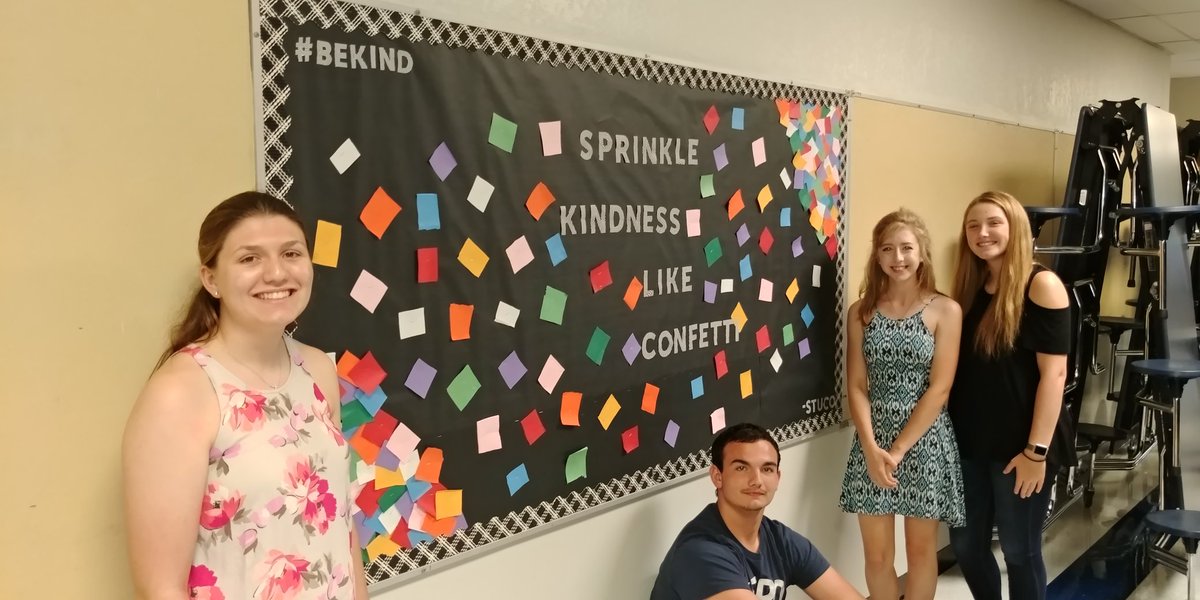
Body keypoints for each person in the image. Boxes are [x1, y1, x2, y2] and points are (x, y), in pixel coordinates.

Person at [122, 192, 369, 599]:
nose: (276, 273)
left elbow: (340, 520)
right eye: (249, 258)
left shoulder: (318, 370)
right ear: (211, 279)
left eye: (291, 253)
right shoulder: (181, 392)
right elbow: (160, 588)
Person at [947, 191, 1072, 600]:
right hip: (969, 442)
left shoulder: (1042, 285)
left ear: (1014, 226)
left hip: (1021, 446)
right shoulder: (969, 285)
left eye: (993, 223)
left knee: (1019, 551)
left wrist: (1036, 452)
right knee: (966, 546)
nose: (982, 233)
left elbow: (1054, 375)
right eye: (973, 225)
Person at [838, 209, 964, 600]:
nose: (898, 258)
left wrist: (897, 450)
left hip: (923, 442)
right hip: (871, 442)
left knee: (921, 551)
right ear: (877, 256)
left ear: (922, 252)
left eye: (907, 248)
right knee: (876, 556)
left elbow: (939, 389)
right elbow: (856, 385)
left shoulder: (946, 310)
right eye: (888, 249)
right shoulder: (860, 312)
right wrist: (873, 448)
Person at [651, 423, 865, 600]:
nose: (756, 480)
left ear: (777, 478)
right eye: (741, 468)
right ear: (718, 476)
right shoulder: (699, 551)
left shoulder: (780, 540)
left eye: (767, 469)